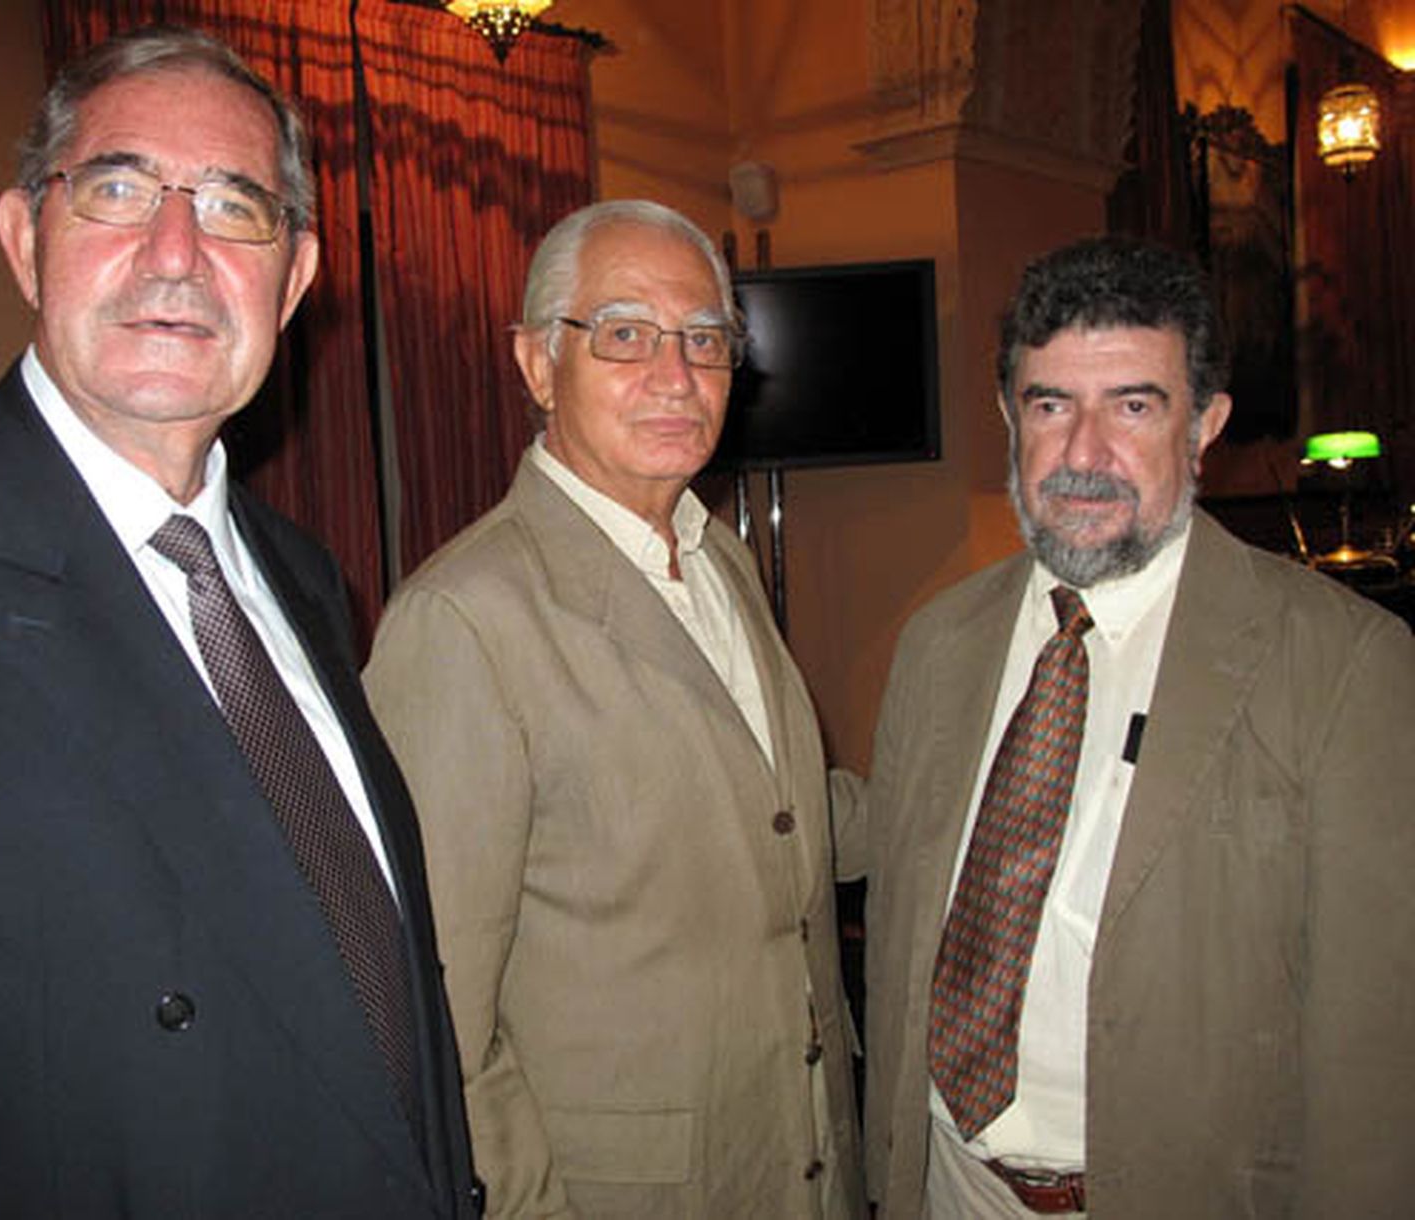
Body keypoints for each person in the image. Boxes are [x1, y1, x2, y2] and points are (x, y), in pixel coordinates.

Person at [0, 27, 479, 1218]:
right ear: (27, 239)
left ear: (296, 276)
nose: (175, 253)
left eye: (236, 209)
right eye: (117, 189)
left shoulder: (303, 576)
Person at [842, 236, 1415, 1218]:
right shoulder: (938, 643)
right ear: (1006, 416)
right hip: (943, 1182)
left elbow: (1374, 1051)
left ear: (1205, 425)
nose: (1082, 454)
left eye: (1133, 406)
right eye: (1049, 403)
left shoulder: (1344, 663)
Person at [362, 199, 864, 1218]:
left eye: (704, 340)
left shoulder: (717, 555)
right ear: (538, 364)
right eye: (625, 333)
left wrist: (977, 792)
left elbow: (780, 808)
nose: (675, 375)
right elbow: (435, 1015)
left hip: (798, 1156)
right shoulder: (463, 618)